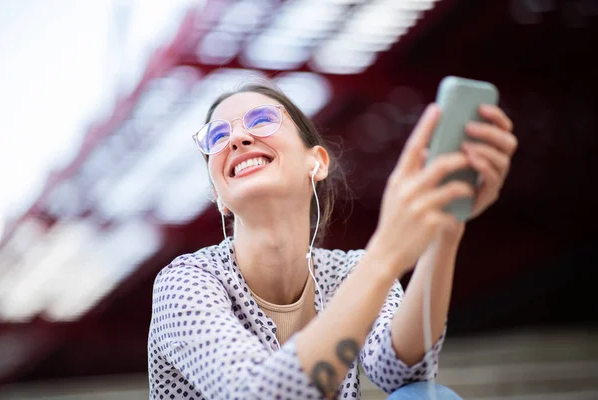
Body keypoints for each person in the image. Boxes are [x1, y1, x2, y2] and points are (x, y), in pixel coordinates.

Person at [148, 81, 517, 399]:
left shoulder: (349, 272)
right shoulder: (185, 282)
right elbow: (256, 393)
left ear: (317, 163)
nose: (238, 138)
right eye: (217, 136)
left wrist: (447, 227)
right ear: (218, 195)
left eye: (262, 120)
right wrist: (387, 252)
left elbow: (400, 371)